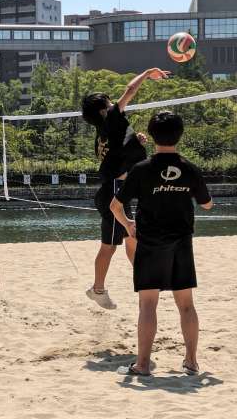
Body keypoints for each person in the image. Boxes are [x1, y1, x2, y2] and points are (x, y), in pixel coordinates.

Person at [110, 111, 213, 376]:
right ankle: (191, 362)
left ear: (152, 135)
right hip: (181, 242)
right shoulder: (189, 168)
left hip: (149, 242)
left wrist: (128, 226)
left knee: (148, 305)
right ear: (180, 134)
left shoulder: (141, 169)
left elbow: (115, 206)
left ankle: (143, 365)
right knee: (186, 305)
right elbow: (207, 204)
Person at [82, 68, 170, 310]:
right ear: (104, 110)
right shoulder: (111, 119)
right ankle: (97, 289)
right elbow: (130, 90)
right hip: (113, 193)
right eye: (110, 103)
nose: (114, 104)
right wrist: (148, 72)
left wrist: (135, 141)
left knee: (132, 237)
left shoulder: (105, 131)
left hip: (119, 191)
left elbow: (118, 154)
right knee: (109, 246)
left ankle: (145, 277)